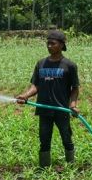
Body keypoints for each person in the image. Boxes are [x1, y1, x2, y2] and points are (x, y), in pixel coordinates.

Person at [16, 30, 80, 168]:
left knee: (66, 138)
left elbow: (74, 89)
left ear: (62, 45)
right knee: (44, 140)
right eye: (48, 43)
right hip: (44, 109)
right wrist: (25, 96)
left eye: (53, 43)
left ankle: (71, 166)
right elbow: (36, 86)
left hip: (61, 109)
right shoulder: (41, 64)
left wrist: (73, 105)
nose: (49, 46)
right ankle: (44, 168)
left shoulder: (70, 65)